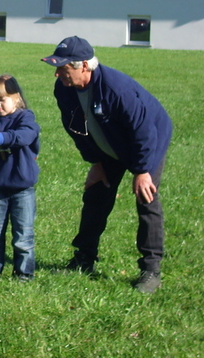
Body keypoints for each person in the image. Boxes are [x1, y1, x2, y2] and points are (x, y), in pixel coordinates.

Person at [42, 36, 172, 293]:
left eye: (64, 68)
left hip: (148, 141)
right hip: (110, 146)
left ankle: (151, 270)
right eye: (57, 67)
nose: (58, 74)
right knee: (96, 195)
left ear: (84, 66)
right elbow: (74, 128)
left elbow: (143, 132)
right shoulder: (64, 89)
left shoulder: (116, 89)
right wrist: (96, 162)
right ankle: (83, 259)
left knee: (146, 200)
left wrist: (142, 170)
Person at [0, 75, 41, 281]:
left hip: (22, 187)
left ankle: (24, 272)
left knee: (23, 234)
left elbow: (24, 136)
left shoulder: (26, 118)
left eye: (2, 99)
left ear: (16, 97)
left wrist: (1, 138)